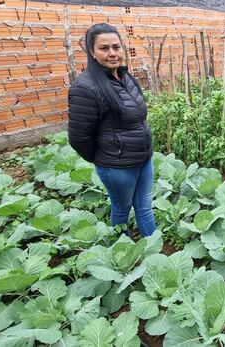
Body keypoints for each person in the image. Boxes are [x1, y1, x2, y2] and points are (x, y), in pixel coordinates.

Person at [67, 23, 156, 237]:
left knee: (144, 208)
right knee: (122, 209)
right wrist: (105, 158)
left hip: (143, 159)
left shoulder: (125, 77)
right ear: (92, 52)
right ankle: (123, 255)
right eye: (104, 48)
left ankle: (156, 257)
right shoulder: (85, 87)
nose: (112, 53)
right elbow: (79, 137)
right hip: (118, 167)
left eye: (116, 47)